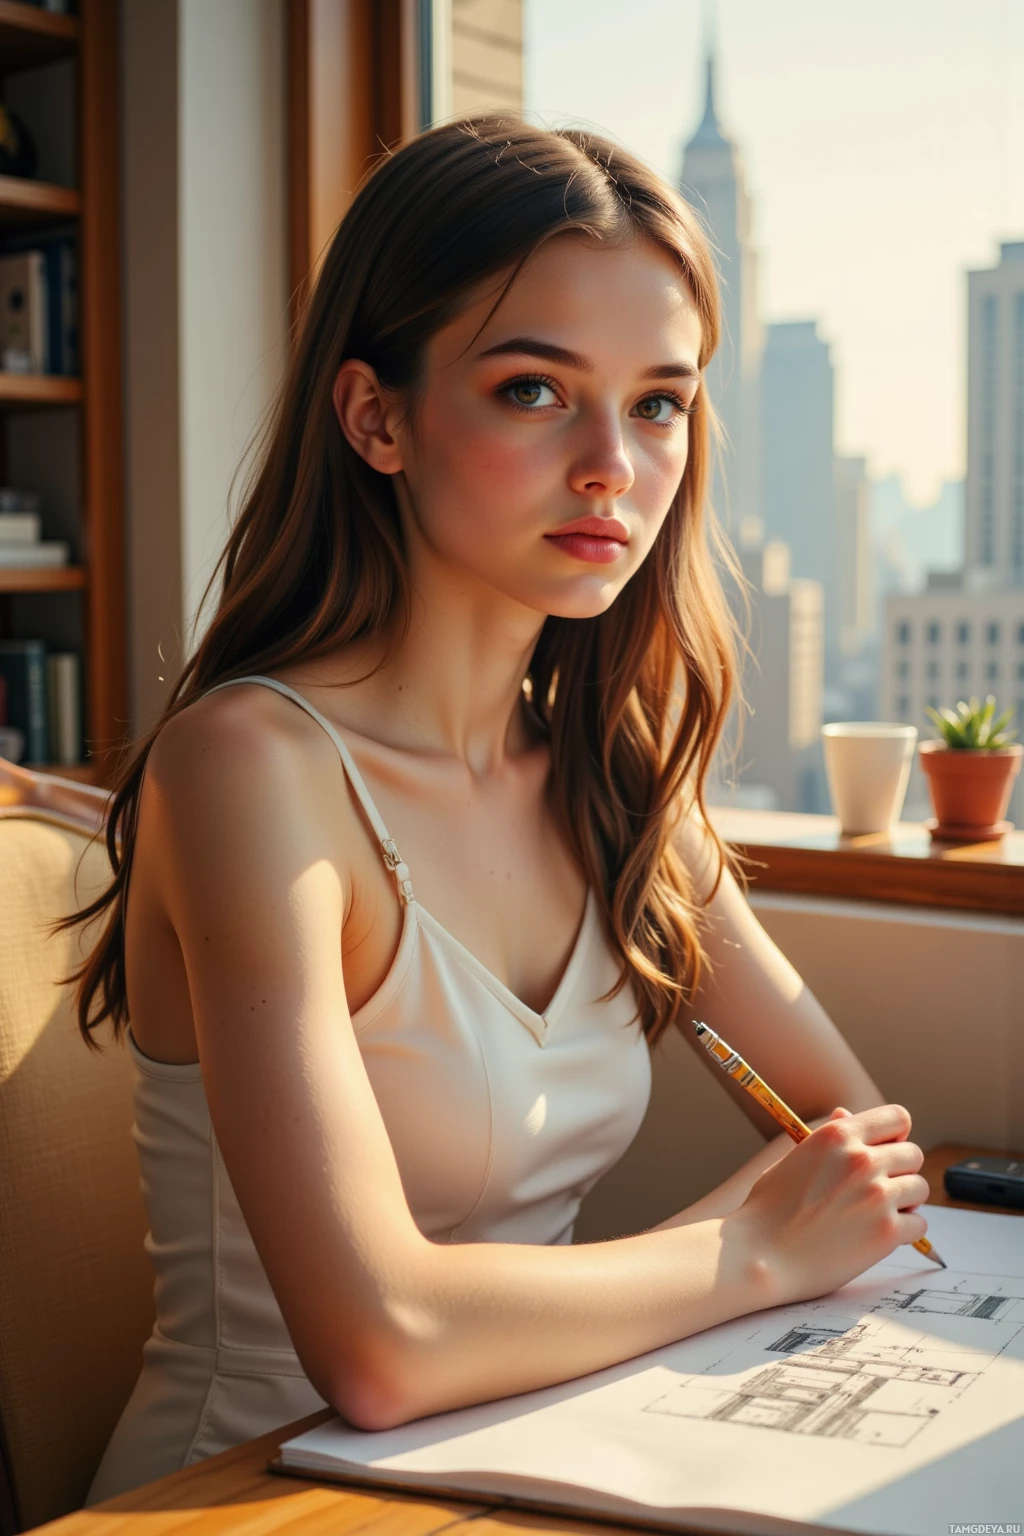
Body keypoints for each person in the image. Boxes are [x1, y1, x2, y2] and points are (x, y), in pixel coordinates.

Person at [61, 116, 930, 1503]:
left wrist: (794, 1221)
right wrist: (751, 1249)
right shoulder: (248, 772)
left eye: (658, 403)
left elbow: (863, 1138)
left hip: (529, 1462)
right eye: (536, 391)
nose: (613, 466)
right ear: (377, 416)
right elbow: (382, 1344)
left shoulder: (611, 778)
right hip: (246, 1498)